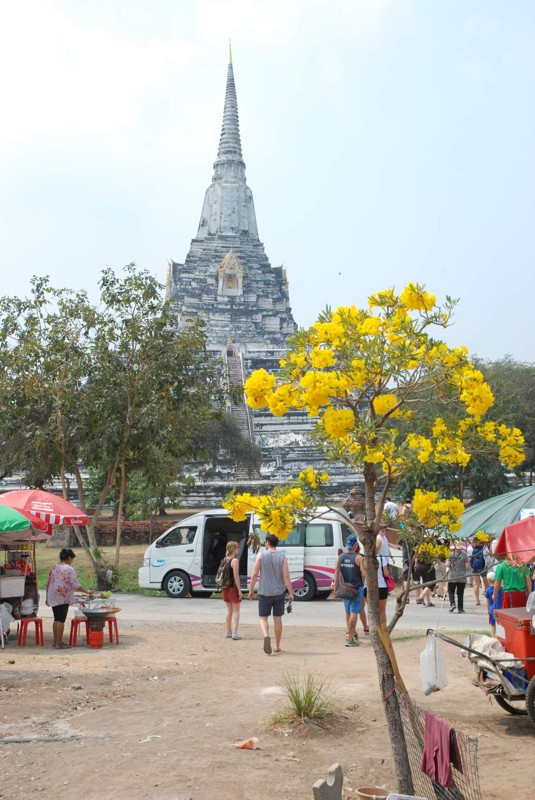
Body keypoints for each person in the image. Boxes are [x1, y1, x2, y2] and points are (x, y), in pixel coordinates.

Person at [248, 533, 294, 655]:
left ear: (267, 542)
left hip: (264, 592)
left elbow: (254, 574)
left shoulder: (261, 555)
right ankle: (277, 646)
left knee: (263, 618)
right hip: (279, 592)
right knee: (277, 618)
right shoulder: (283, 557)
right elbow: (286, 576)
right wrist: (291, 592)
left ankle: (266, 635)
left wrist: (251, 590)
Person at [46, 548, 93, 649]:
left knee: (56, 618)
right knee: (61, 620)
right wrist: (86, 591)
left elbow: (48, 583)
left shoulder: (54, 567)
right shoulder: (69, 569)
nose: (72, 561)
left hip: (53, 596)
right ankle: (59, 643)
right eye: (72, 559)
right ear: (69, 558)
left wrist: (47, 597)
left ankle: (56, 642)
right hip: (63, 597)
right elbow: (75, 584)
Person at [334, 534, 366, 647]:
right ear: (356, 545)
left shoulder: (340, 557)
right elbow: (364, 574)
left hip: (344, 588)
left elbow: (336, 574)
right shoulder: (359, 558)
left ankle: (350, 633)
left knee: (347, 613)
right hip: (356, 589)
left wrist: (334, 589)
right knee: (354, 613)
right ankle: (350, 639)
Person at [221, 541, 243, 640]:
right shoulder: (235, 561)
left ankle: (228, 631)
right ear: (234, 549)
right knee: (236, 611)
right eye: (237, 547)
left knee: (229, 610)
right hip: (232, 588)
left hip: (225, 587)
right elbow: (236, 577)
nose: (238, 549)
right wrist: (239, 591)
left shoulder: (225, 559)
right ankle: (235, 632)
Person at [446, 543, 470, 613]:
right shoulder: (464, 555)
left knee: (451, 591)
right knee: (460, 593)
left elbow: (447, 565)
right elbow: (467, 567)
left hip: (452, 575)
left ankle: (452, 603)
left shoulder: (450, 555)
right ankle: (460, 608)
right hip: (461, 576)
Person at [469, 537, 490, 605]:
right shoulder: (484, 547)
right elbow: (488, 556)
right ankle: (488, 599)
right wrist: (486, 565)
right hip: (483, 567)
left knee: (476, 583)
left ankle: (477, 601)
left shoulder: (470, 548)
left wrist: (471, 566)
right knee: (486, 582)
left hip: (475, 568)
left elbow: (469, 558)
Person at [485, 572, 502, 637]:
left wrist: (488, 609)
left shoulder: (488, 590)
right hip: (500, 608)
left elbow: (487, 601)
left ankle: (493, 637)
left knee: (493, 625)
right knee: (500, 624)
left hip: (492, 609)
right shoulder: (500, 588)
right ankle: (499, 637)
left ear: (488, 580)